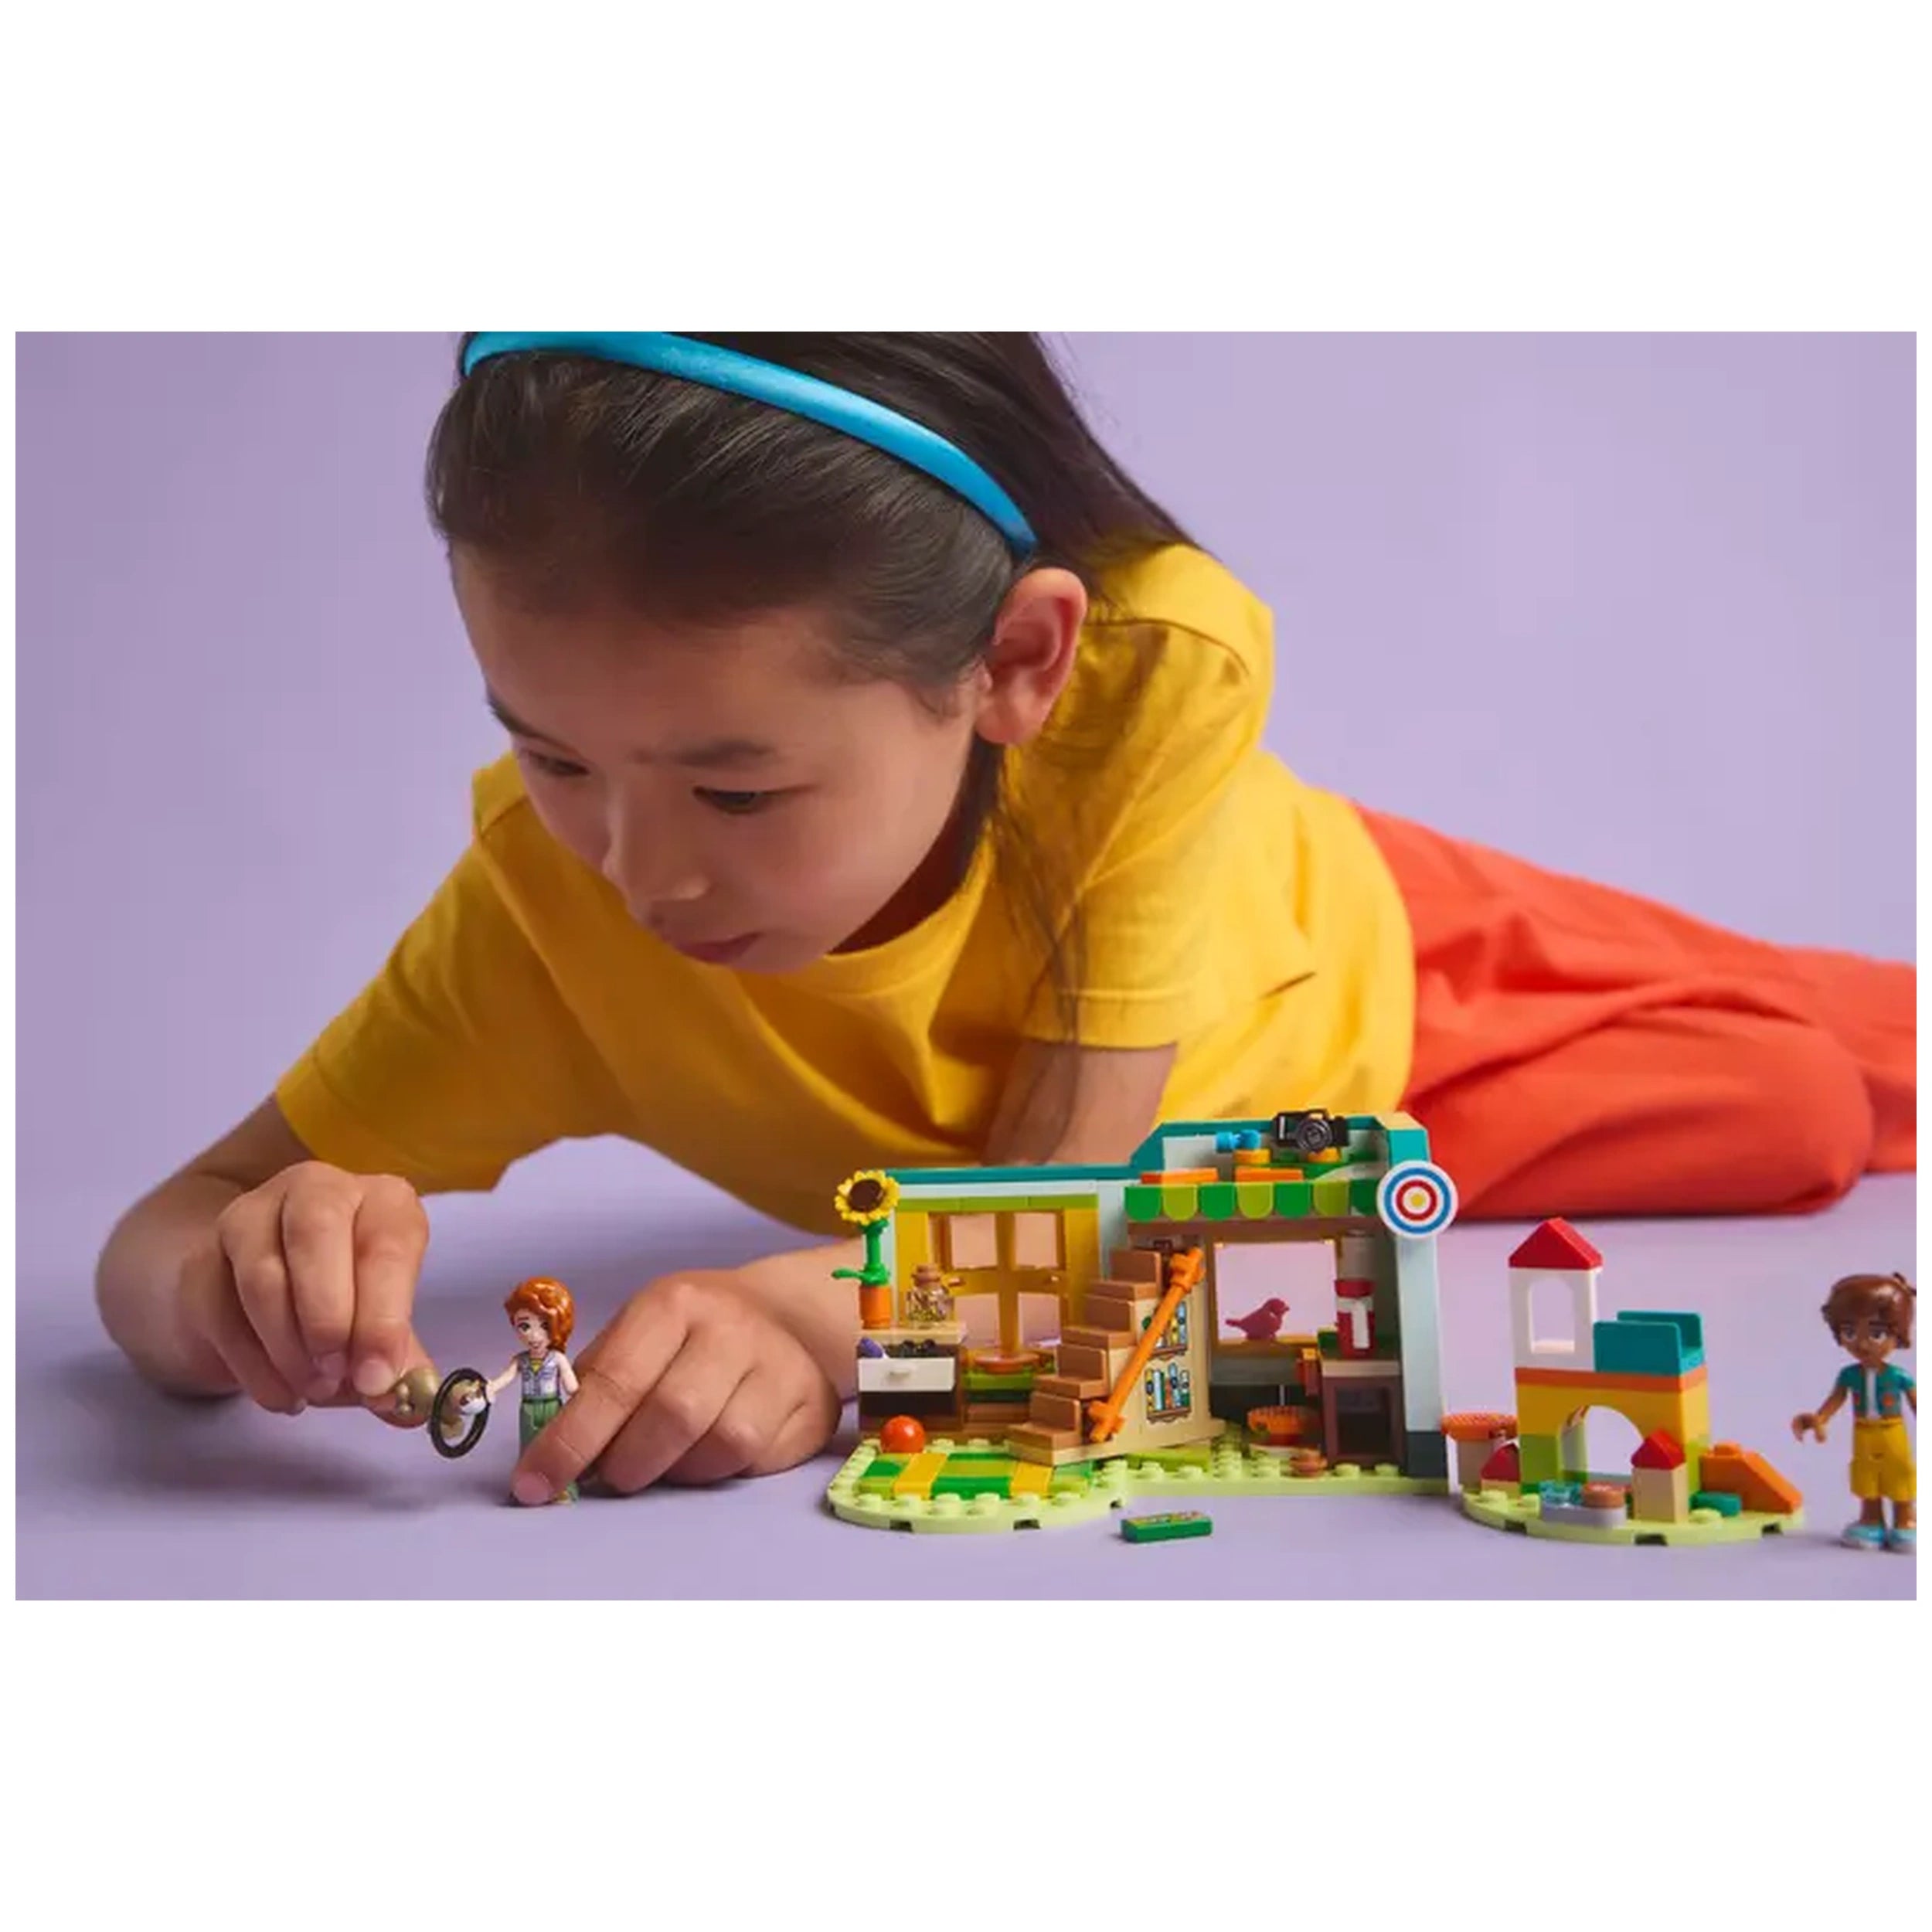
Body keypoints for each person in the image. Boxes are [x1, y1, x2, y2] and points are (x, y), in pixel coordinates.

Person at [95, 333, 1917, 1509]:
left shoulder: (1139, 686)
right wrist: (242, 1287)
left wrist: (821, 1322)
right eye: (553, 755)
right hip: (1346, 1142)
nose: (641, 875)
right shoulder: (537, 926)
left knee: (1872, 1042)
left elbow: (1057, 1201)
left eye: (737, 791)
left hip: (1384, 938)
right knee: (1793, 1116)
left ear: (1020, 664)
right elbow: (161, 1235)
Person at [1791, 1271, 1917, 1551]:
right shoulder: (1849, 1376)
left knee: (1899, 1473)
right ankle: (1871, 1520)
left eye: (1876, 1333)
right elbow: (1835, 1400)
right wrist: (1818, 1419)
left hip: (1892, 1432)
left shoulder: (1899, 1377)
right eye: (1849, 1332)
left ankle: (1906, 1521)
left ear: (1899, 1333)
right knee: (1865, 1475)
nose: (1861, 1344)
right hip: (1863, 1433)